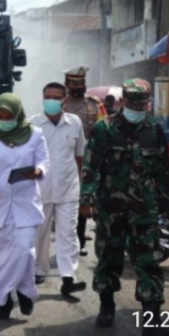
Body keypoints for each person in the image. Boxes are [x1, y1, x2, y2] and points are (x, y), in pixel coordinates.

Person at [80, 79, 169, 336]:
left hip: (144, 208)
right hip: (110, 207)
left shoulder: (153, 129)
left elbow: (162, 169)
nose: (137, 107)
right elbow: (91, 166)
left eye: (142, 102)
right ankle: (107, 307)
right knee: (108, 257)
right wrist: (86, 199)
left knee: (149, 261)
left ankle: (151, 322)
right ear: (123, 101)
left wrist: (166, 203)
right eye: (133, 102)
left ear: (148, 103)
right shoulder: (104, 128)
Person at [0, 93, 49, 320]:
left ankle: (24, 291)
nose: (4, 120)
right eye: (0, 115)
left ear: (18, 114)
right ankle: (3, 299)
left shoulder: (35, 134)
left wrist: (39, 171)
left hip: (25, 203)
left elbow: (44, 161)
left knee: (24, 250)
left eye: (8, 116)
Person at [29, 82, 87, 294]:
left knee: (68, 233)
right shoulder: (33, 124)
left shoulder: (74, 123)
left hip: (68, 188)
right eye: (48, 96)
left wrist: (80, 184)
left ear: (65, 100)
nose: (51, 101)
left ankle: (68, 276)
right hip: (40, 189)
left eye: (56, 97)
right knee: (40, 233)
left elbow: (79, 155)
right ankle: (39, 269)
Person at [63, 65, 106, 256]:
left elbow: (104, 129)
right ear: (67, 84)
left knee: (83, 199)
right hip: (64, 160)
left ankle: (80, 240)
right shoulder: (60, 104)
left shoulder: (94, 105)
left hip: (87, 161)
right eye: (74, 83)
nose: (78, 86)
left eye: (81, 83)